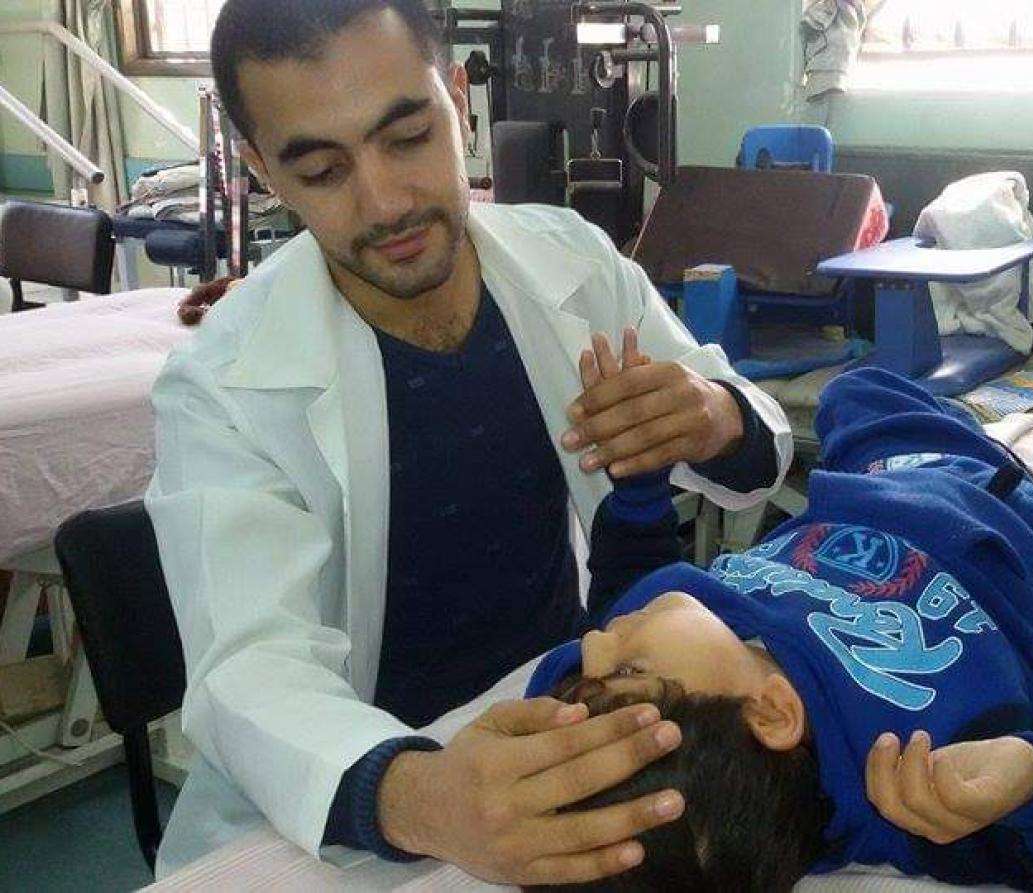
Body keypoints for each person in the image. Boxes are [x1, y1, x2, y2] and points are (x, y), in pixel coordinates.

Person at [145, 0, 791, 883]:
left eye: (408, 137)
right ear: (262, 170)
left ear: (458, 100)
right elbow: (251, 669)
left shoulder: (572, 261)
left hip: (570, 716)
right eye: (323, 169)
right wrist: (422, 796)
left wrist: (714, 415)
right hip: (349, 803)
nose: (385, 202)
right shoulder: (222, 387)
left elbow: (755, 434)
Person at [523, 361, 1033, 891]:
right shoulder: (915, 772)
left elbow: (619, 594)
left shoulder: (659, 636)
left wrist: (635, 491)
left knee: (854, 387)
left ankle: (991, 449)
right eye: (621, 670)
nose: (596, 642)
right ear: (771, 711)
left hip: (902, 479)